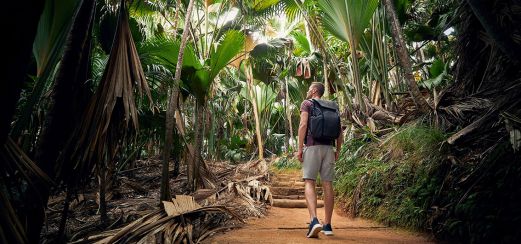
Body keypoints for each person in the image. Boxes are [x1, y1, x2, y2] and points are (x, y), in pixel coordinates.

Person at [296, 82, 343, 238]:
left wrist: (300, 149)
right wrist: (338, 149)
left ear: (315, 90)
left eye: (309, 87)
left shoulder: (307, 103)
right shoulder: (332, 106)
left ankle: (314, 220)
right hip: (329, 148)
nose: (308, 90)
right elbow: (339, 131)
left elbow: (303, 125)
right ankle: (327, 225)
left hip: (312, 146)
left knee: (309, 181)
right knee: (328, 184)